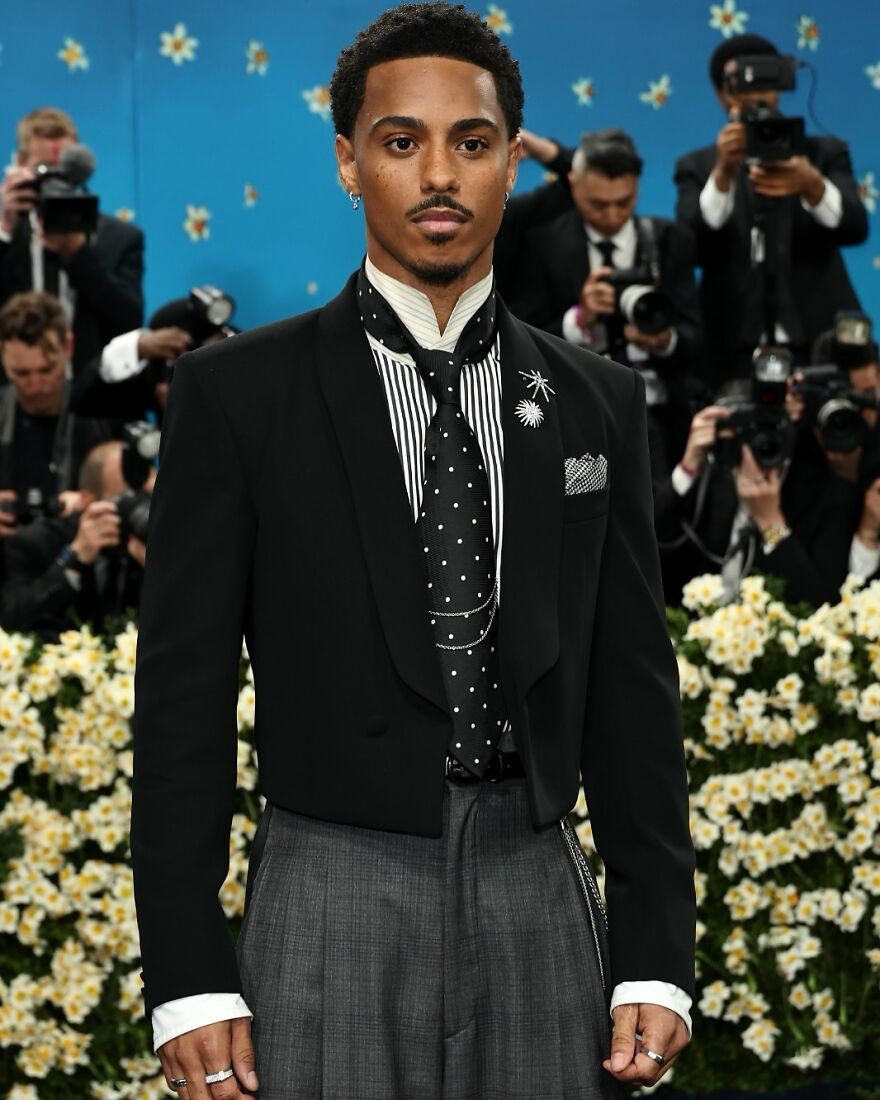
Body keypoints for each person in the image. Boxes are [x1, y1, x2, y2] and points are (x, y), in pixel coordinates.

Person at [131, 6, 695, 1099]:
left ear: (507, 162)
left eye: (471, 142)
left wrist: (657, 954)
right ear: (348, 161)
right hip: (326, 887)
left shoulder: (596, 401)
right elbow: (182, 699)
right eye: (400, 141)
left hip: (539, 882)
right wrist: (191, 975)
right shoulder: (237, 395)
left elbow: (633, 689)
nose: (438, 172)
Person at [674, 34, 868, 390]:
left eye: (766, 80)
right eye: (740, 84)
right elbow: (689, 243)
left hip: (820, 343)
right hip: (732, 349)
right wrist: (724, 174)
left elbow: (856, 227)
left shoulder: (823, 153)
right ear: (721, 94)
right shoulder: (697, 167)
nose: (755, 95)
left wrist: (813, 185)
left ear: (782, 85)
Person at [512, 128, 702, 487]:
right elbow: (521, 345)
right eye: (598, 204)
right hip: (577, 420)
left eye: (625, 202)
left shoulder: (670, 241)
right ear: (572, 183)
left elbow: (697, 338)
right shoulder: (543, 246)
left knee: (657, 531)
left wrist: (664, 340)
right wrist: (578, 320)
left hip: (660, 420)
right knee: (590, 533)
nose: (613, 215)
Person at [0, 107, 144, 376]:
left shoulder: (120, 238)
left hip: (90, 396)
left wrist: (78, 254)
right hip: (11, 400)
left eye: (64, 173)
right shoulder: (7, 235)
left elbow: (128, 321)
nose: (55, 183)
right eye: (44, 171)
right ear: (19, 165)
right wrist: (5, 231)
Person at [0, 438, 152, 637]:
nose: (138, 510)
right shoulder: (35, 542)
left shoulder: (148, 539)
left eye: (147, 497)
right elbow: (10, 620)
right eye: (127, 499)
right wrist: (74, 558)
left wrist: (158, 570)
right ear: (87, 500)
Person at [0, 291, 117, 538]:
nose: (35, 384)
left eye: (46, 369)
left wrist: (91, 502)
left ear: (69, 347)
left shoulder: (102, 417)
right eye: (21, 373)